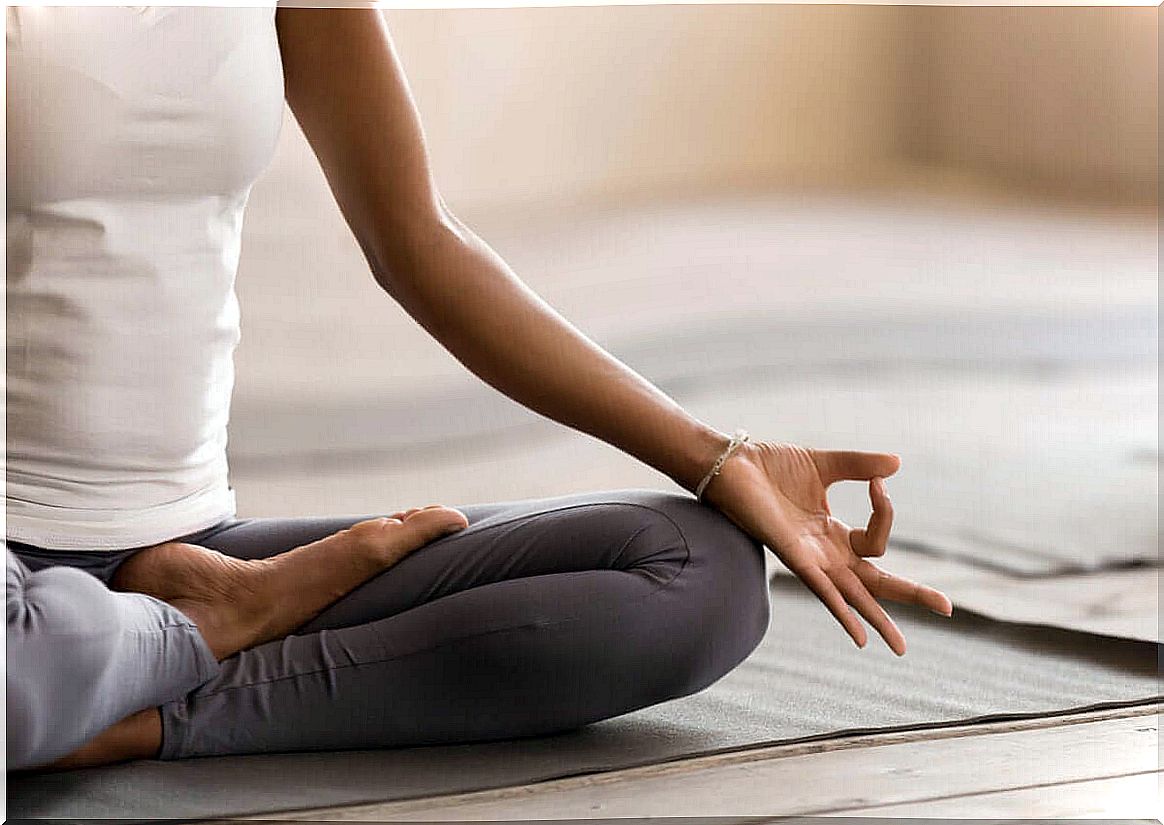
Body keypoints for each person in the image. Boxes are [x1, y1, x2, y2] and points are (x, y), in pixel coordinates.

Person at [5, 6, 953, 774]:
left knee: (701, 575)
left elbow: (419, 243)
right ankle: (145, 659)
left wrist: (715, 458)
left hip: (189, 552)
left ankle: (139, 679)